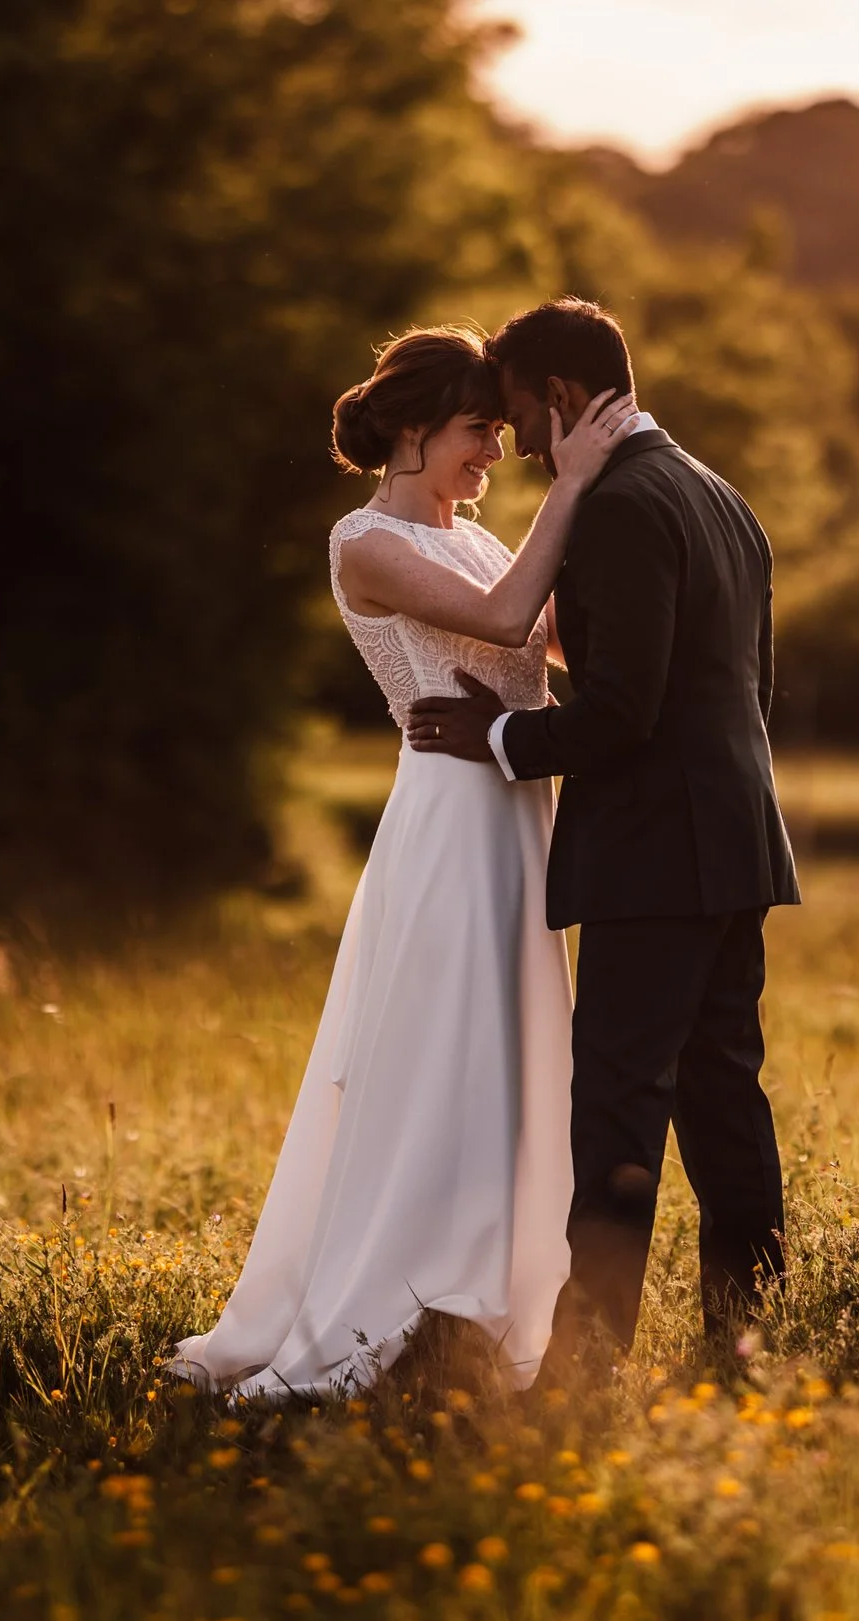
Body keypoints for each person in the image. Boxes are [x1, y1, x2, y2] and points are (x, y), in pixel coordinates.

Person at [169, 325, 637, 1397]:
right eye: (480, 431)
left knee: (512, 1056)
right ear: (416, 428)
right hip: (450, 822)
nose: (493, 452)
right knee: (442, 1053)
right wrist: (572, 485)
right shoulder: (364, 542)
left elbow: (556, 640)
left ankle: (487, 1301)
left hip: (519, 818)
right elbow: (510, 616)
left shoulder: (476, 540)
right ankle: (398, 1303)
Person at [411, 297, 801, 1367]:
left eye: (519, 416)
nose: (520, 444)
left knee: (619, 1109)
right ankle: (745, 1341)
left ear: (564, 396)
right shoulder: (718, 494)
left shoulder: (623, 504)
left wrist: (497, 733)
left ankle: (586, 1369)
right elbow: (740, 686)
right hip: (731, 837)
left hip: (655, 855)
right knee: (724, 1097)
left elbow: (624, 709)